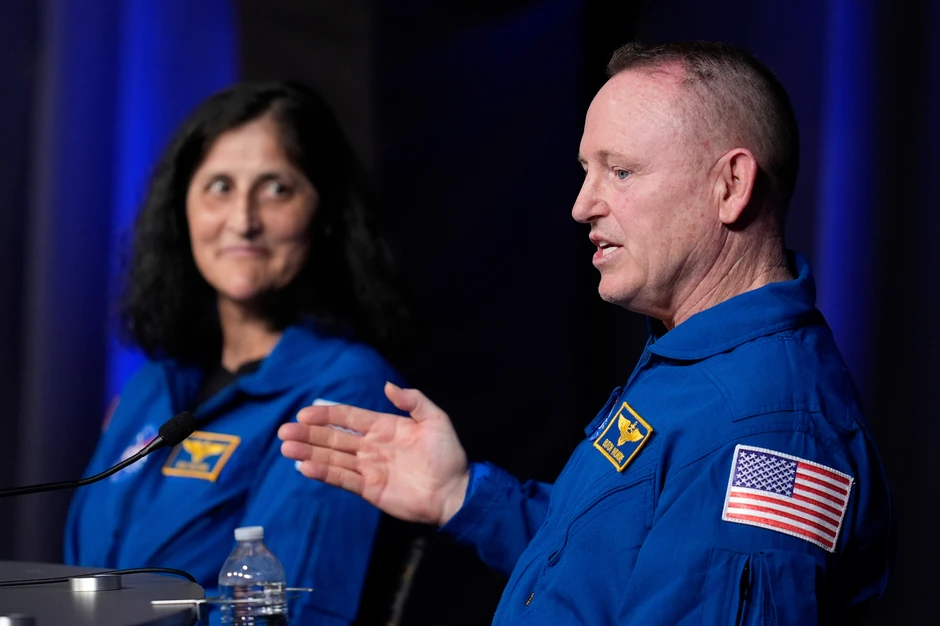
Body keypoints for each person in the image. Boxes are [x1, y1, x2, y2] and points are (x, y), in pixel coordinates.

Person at [278, 41, 893, 625]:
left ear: (729, 186)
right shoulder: (701, 364)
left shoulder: (763, 427)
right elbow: (608, 562)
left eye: (620, 171)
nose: (582, 205)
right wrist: (459, 494)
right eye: (587, 171)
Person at [64, 81, 413, 626]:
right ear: (182, 208)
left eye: (276, 189)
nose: (243, 220)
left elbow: (289, 614)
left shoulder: (346, 395)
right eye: (220, 187)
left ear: (325, 213)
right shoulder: (154, 384)